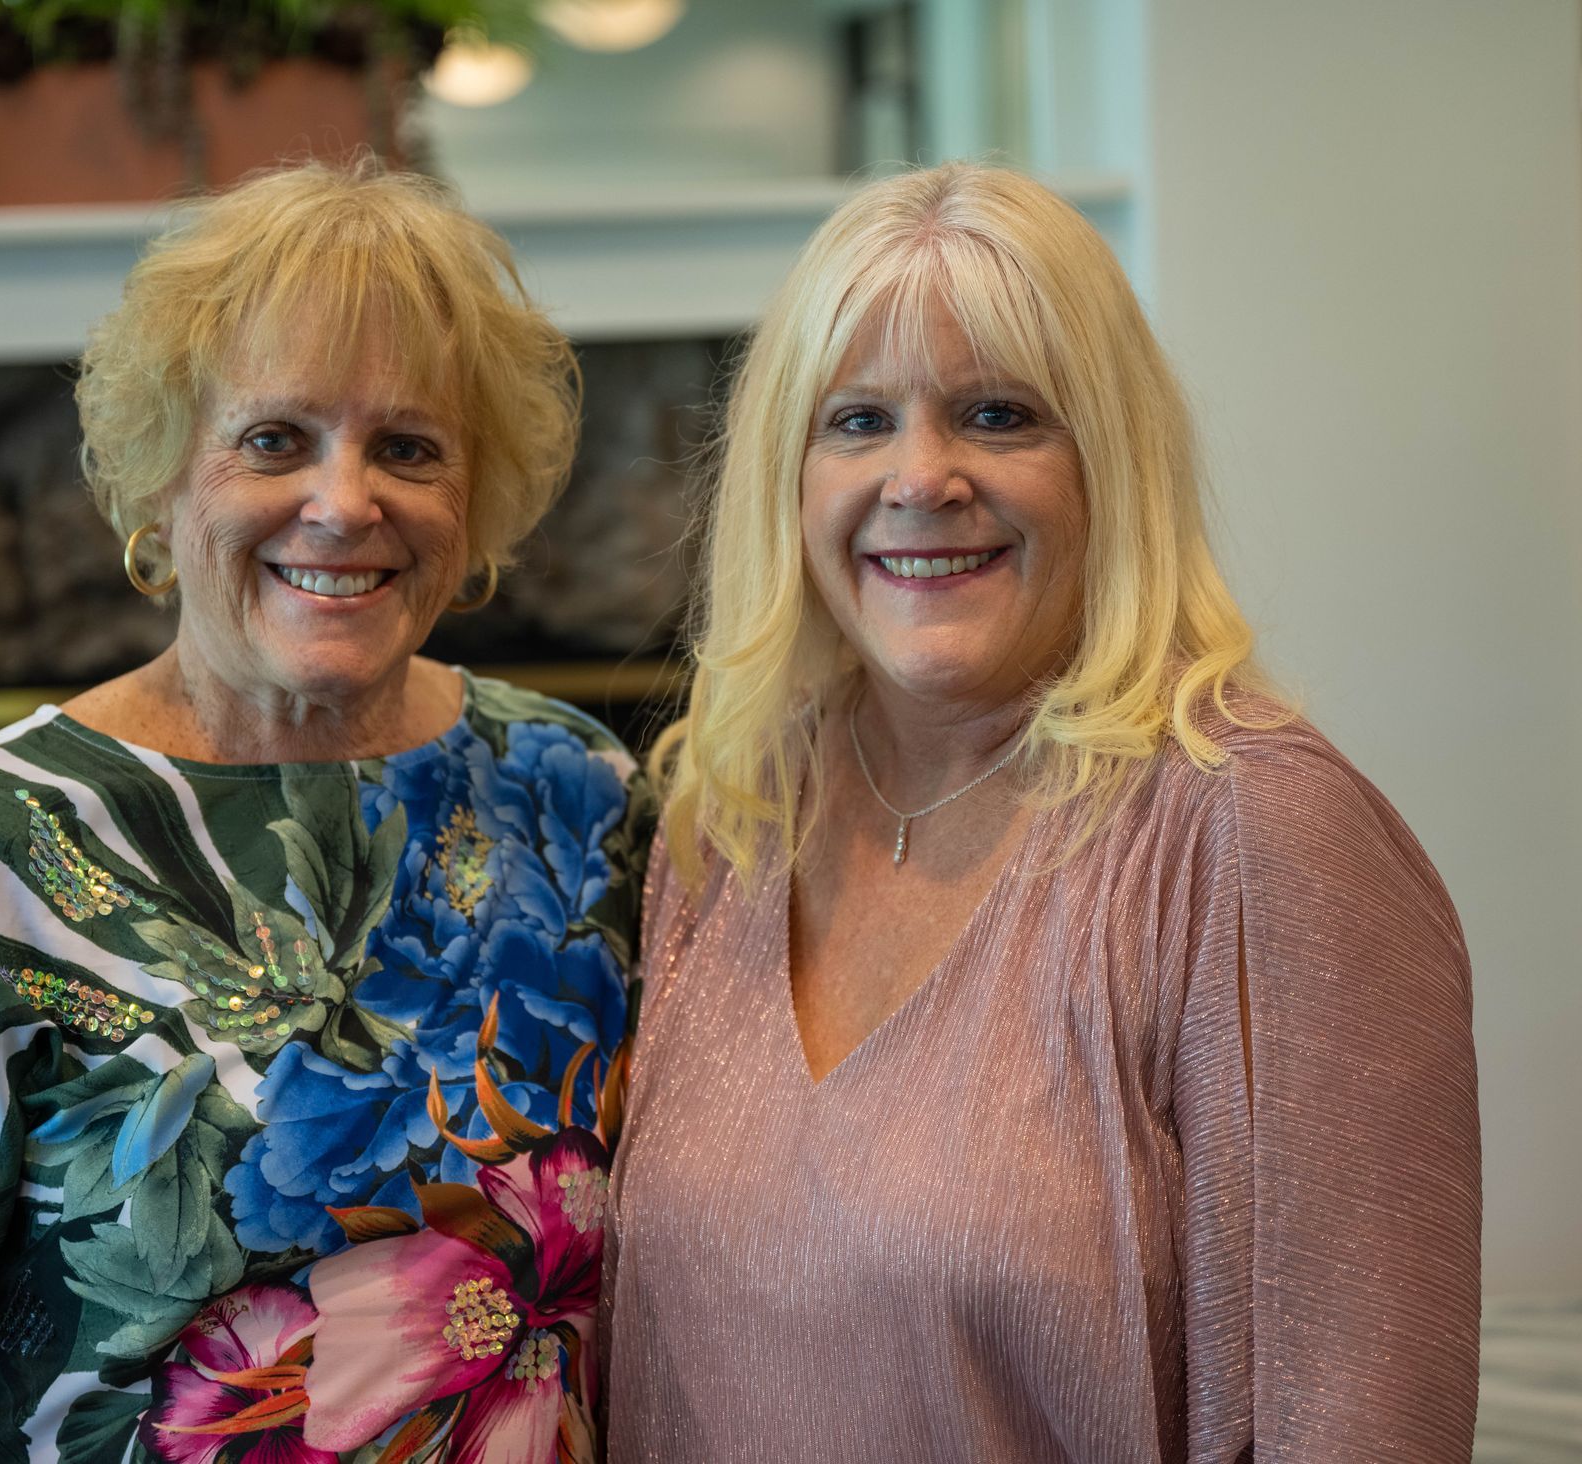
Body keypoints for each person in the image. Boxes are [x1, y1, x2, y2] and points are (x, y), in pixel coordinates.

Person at [0, 163, 652, 1463]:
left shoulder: (576, 793)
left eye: (407, 447)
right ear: (164, 481)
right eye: (274, 439)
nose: (345, 505)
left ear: (475, 501)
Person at [604, 163, 1480, 1462]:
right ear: (786, 480)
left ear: (1110, 461)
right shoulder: (737, 811)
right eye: (856, 421)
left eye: (999, 414)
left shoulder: (1255, 832)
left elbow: (1359, 1421)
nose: (921, 477)